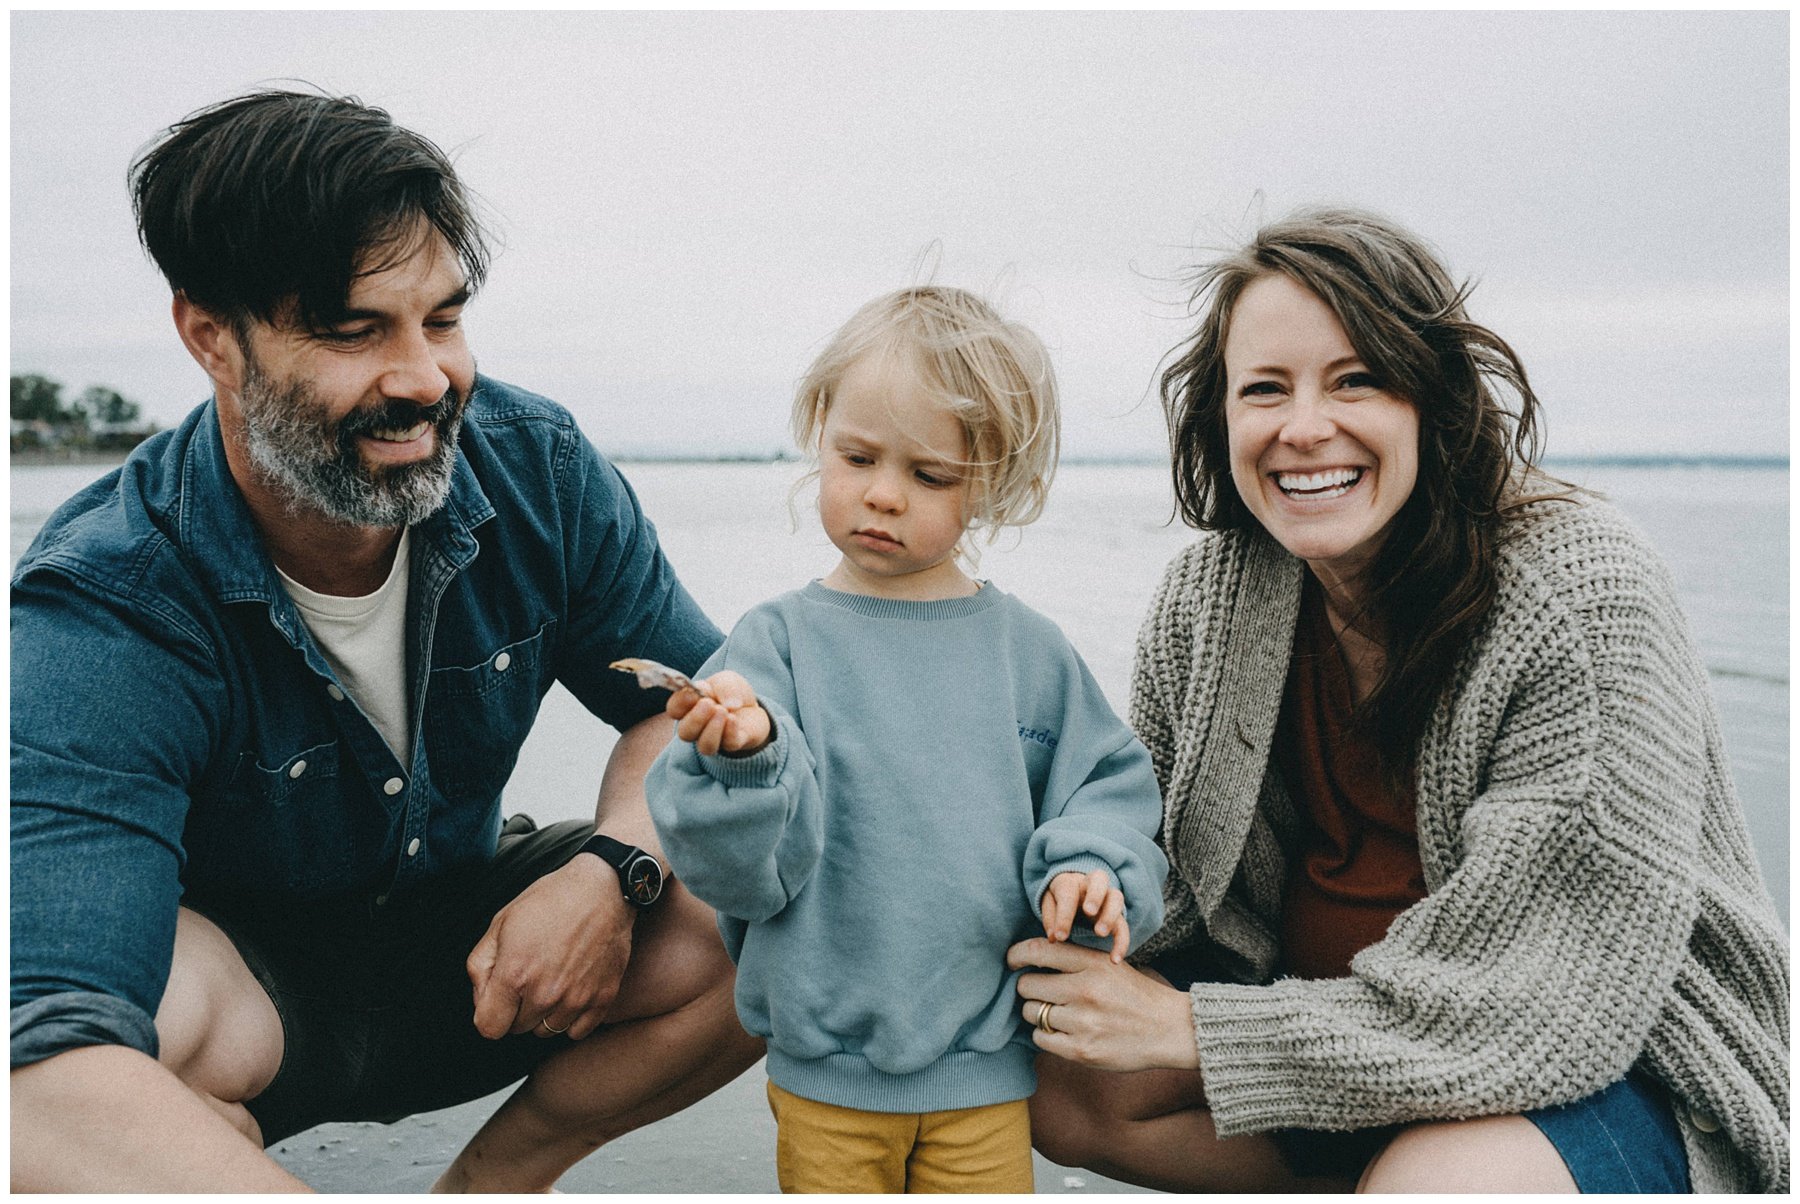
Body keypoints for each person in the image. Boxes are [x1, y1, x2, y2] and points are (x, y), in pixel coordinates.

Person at [10, 89, 763, 1192]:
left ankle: (487, 1188)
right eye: (353, 330)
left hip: (474, 952)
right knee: (68, 1069)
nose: (423, 379)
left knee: (784, 876)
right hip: (249, 1011)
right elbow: (48, 1047)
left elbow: (683, 700)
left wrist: (615, 868)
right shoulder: (108, 598)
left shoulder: (534, 466)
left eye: (443, 319)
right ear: (214, 338)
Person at [1007, 208, 1789, 1193]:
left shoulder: (1581, 596)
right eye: (1264, 390)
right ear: (1222, 418)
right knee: (1064, 1085)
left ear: (1432, 397)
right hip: (1340, 1039)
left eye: (1355, 380)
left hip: (1608, 1064)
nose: (1303, 427)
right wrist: (1056, 878)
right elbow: (1168, 889)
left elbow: (1547, 1005)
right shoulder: (1205, 603)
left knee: (1437, 1179)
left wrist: (1189, 1029)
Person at [637, 286, 1169, 1193]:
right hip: (826, 1070)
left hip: (990, 1070)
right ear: (819, 435)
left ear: (994, 485)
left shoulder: (1028, 653)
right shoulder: (775, 648)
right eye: (856, 457)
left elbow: (1106, 786)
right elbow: (737, 877)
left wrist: (1091, 872)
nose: (882, 494)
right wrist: (747, 756)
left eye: (930, 475)